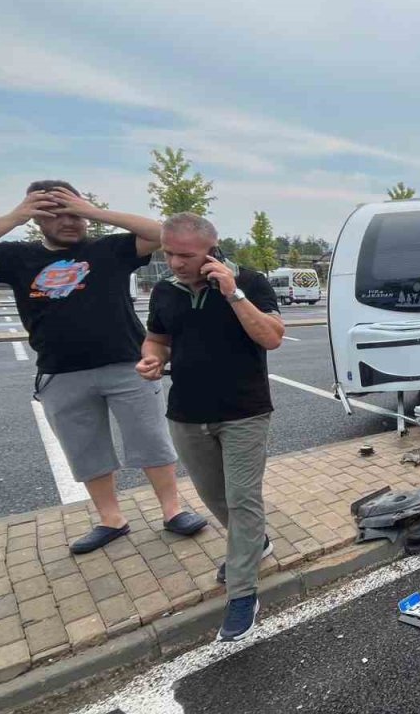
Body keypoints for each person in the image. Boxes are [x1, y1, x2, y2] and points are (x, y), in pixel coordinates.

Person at [0, 182, 206, 553]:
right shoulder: (17, 256)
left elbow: (160, 233)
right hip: (61, 372)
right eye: (56, 214)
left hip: (126, 365)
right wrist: (16, 215)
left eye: (74, 213)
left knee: (151, 440)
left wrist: (92, 211)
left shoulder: (109, 249)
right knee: (86, 450)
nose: (69, 221)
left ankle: (172, 510)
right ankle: (111, 519)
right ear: (38, 220)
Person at [138, 213, 284, 641]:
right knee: (214, 497)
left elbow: (272, 337)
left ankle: (242, 592)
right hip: (186, 412)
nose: (175, 262)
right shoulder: (165, 290)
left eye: (186, 254)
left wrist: (233, 292)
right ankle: (255, 545)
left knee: (241, 499)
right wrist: (152, 358)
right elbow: (158, 338)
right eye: (168, 252)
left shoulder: (250, 281)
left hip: (245, 412)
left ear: (211, 249)